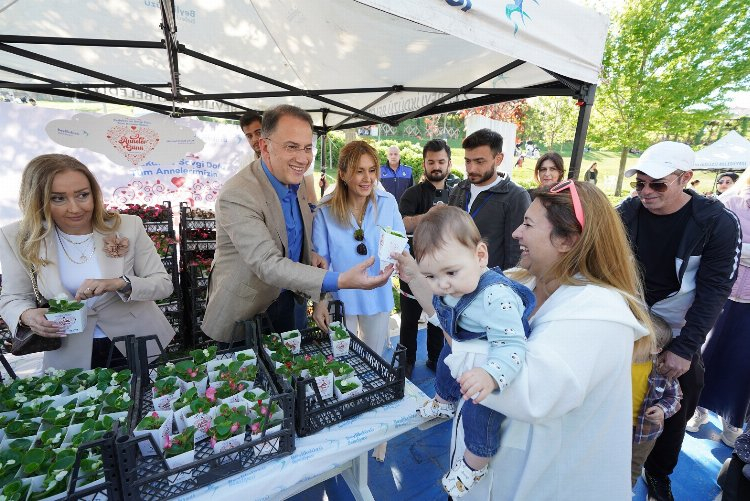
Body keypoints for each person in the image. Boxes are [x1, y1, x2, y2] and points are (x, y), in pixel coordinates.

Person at [395, 180, 652, 499]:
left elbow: (528, 393)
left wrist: (454, 338)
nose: (517, 232)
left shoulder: (597, 313)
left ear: (566, 239)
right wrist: (416, 276)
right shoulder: (520, 281)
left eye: (528, 224)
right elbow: (454, 316)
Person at [203, 105, 393, 343]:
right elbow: (267, 263)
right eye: (291, 147)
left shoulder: (298, 181)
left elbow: (292, 238)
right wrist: (340, 280)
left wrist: (310, 260)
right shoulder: (238, 193)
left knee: (293, 365)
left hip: (290, 304)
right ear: (265, 147)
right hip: (246, 313)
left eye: (307, 148)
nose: (302, 158)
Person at [618, 141, 741, 501]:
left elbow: (715, 290)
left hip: (676, 328)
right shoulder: (627, 211)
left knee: (680, 401)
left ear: (685, 178)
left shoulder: (716, 222)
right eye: (640, 183)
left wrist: (686, 347)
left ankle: (658, 473)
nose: (646, 192)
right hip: (625, 320)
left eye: (657, 184)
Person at [405, 206, 534, 498]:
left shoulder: (495, 296)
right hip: (465, 348)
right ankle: (443, 401)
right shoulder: (454, 286)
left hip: (494, 360)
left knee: (480, 412)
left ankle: (475, 463)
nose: (442, 284)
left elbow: (512, 345)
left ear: (480, 256)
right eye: (431, 276)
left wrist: (490, 376)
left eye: (451, 272)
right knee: (445, 362)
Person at [0, 154, 175, 369]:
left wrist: (120, 283)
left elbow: (163, 284)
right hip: (70, 351)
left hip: (137, 341)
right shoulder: (17, 237)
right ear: (37, 200)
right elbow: (13, 297)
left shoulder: (128, 226)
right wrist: (27, 315)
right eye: (58, 198)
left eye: (83, 195)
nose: (75, 208)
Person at [311, 140, 405, 358]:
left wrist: (406, 263)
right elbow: (320, 261)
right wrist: (319, 300)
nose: (367, 178)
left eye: (372, 170)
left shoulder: (388, 202)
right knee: (342, 362)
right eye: (359, 171)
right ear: (343, 174)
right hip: (339, 299)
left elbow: (401, 244)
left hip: (378, 294)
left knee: (375, 360)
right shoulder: (325, 210)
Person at [686, 169, 750, 448]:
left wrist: (740, 251)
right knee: (704, 355)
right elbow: (714, 243)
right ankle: (697, 410)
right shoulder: (730, 202)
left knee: (742, 366)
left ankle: (733, 421)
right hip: (720, 296)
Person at [398, 139, 453, 377]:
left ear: (449, 163)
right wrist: (428, 216)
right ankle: (407, 361)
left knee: (438, 317)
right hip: (413, 268)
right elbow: (400, 224)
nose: (436, 166)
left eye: (441, 161)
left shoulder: (457, 194)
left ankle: (435, 359)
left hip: (444, 270)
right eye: (431, 162)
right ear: (424, 164)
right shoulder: (412, 194)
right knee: (409, 319)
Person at [448, 128, 530, 270]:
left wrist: (504, 282)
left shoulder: (515, 197)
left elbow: (516, 253)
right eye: (468, 161)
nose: (471, 169)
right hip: (454, 277)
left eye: (479, 162)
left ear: (498, 159)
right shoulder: (458, 190)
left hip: (493, 281)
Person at [631, 314, 682, 488]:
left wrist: (661, 409)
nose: (633, 339)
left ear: (655, 349)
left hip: (643, 432)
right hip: (612, 425)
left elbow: (674, 396)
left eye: (640, 338)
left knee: (632, 466)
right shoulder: (618, 359)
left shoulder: (660, 372)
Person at [239, 110, 323, 203]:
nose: (254, 139)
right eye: (249, 136)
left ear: (267, 132)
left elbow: (310, 196)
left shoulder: (298, 159)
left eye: (258, 133)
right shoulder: (245, 161)